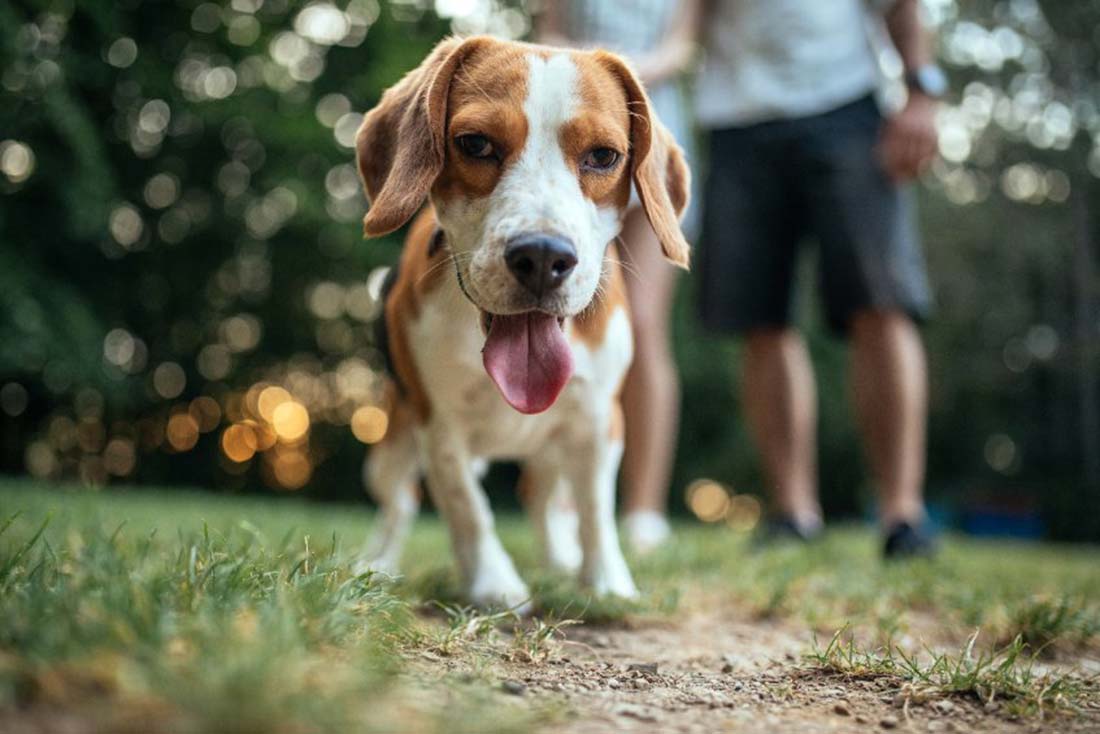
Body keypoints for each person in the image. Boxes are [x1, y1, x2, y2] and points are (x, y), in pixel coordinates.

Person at [695, 0, 945, 557]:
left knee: (882, 303)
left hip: (848, 109)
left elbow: (901, 5)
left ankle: (902, 513)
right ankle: (791, 514)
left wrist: (921, 94)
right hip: (736, 119)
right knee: (759, 317)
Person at [537, 0, 702, 554]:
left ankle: (644, 509)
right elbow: (550, 32)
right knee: (563, 317)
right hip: (571, 142)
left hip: (651, 139)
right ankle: (561, 497)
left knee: (645, 327)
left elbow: (684, 46)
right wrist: (589, 79)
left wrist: (620, 81)